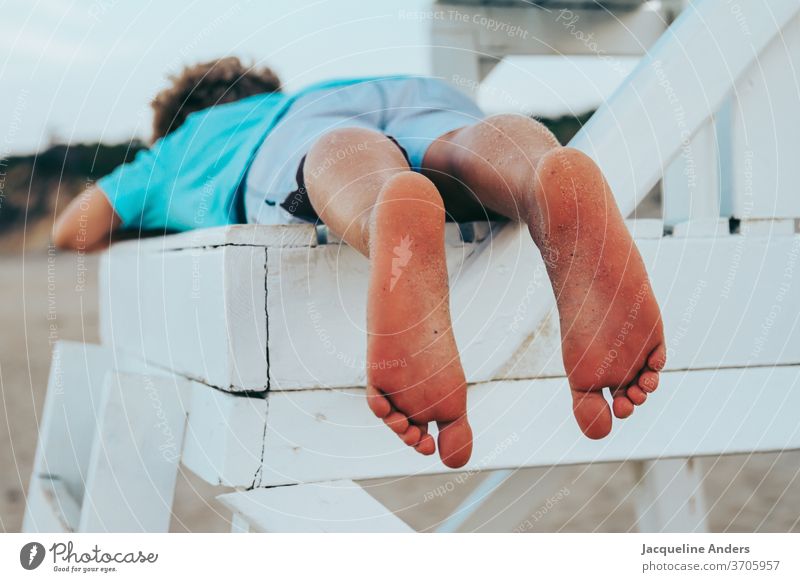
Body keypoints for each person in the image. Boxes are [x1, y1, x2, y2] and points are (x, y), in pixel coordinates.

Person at [54, 57, 665, 469]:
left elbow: (74, 228)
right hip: (419, 96)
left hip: (294, 140)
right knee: (462, 147)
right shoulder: (311, 92)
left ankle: (386, 208)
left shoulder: (182, 145)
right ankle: (540, 175)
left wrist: (148, 211)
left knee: (340, 155)